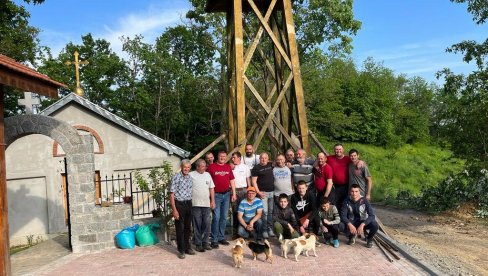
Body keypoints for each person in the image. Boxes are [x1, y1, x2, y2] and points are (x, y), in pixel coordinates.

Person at [207, 151, 237, 248]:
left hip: (227, 194)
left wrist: (234, 193)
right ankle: (214, 239)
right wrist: (210, 197)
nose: (222, 158)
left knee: (224, 217)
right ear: (218, 156)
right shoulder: (211, 167)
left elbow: (232, 180)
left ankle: (221, 237)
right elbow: (207, 181)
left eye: (224, 156)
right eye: (221, 156)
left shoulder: (228, 167)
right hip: (216, 195)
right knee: (216, 217)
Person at [340, 184, 378, 248]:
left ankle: (369, 239)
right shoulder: (346, 201)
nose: (354, 193)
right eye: (352, 191)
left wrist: (363, 224)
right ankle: (351, 236)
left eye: (356, 191)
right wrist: (349, 224)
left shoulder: (365, 201)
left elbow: (372, 215)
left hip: (363, 221)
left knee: (375, 225)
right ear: (350, 192)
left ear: (359, 191)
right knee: (341, 225)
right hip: (353, 222)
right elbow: (343, 216)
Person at [189, 159, 215, 253]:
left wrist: (213, 201)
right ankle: (198, 243)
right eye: (202, 166)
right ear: (197, 167)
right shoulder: (191, 175)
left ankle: (205, 242)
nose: (204, 168)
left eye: (205, 166)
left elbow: (211, 188)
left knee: (207, 223)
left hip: (206, 204)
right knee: (197, 224)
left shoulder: (207, 175)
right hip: (195, 204)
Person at [170, 159, 194, 259]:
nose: (186, 169)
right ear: (181, 167)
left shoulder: (190, 178)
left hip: (188, 203)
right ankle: (181, 250)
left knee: (188, 227)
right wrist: (174, 209)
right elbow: (171, 194)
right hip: (179, 204)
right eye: (185, 167)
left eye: (188, 167)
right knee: (180, 228)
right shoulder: (176, 177)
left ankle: (187, 247)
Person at [251, 152, 275, 238]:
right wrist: (258, 192)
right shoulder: (256, 168)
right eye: (262, 158)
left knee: (271, 212)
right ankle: (264, 230)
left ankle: (270, 229)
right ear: (259, 159)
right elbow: (253, 181)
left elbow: (280, 161)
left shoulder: (271, 165)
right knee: (264, 212)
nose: (264, 159)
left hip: (272, 192)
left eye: (265, 158)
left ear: (268, 159)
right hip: (263, 193)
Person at [231, 152, 251, 238]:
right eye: (232, 158)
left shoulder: (245, 167)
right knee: (235, 211)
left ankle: (246, 230)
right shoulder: (231, 167)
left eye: (234, 157)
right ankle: (236, 232)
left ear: (239, 158)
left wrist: (250, 190)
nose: (232, 159)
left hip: (244, 191)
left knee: (245, 211)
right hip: (234, 191)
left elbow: (248, 179)